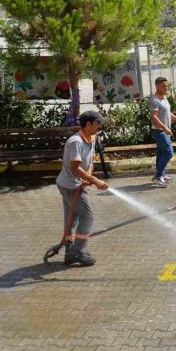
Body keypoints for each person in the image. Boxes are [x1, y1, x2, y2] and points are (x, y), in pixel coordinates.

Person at [55, 110, 108, 267]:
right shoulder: (75, 142)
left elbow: (90, 162)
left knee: (72, 218)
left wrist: (88, 178)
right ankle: (76, 252)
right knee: (87, 216)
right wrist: (95, 181)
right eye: (98, 123)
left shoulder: (90, 139)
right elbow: (76, 168)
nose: (100, 125)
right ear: (88, 124)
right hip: (70, 186)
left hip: (75, 184)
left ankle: (70, 253)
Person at [149, 77, 176, 187]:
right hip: (159, 131)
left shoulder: (164, 98)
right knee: (169, 153)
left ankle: (161, 174)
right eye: (163, 86)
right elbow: (154, 117)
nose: (166, 88)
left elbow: (167, 113)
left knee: (161, 153)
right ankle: (159, 176)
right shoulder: (154, 100)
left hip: (164, 130)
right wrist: (165, 128)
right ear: (157, 86)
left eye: (166, 86)